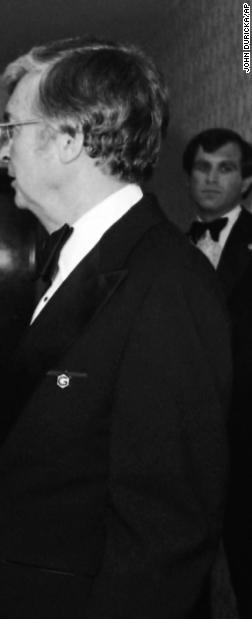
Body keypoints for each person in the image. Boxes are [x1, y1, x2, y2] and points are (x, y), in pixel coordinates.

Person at [0, 38, 231, 619]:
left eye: (13, 127)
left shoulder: (169, 282)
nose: (3, 149)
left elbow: (164, 536)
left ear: (70, 140)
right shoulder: (74, 257)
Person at [182, 128, 252, 616]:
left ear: (246, 182)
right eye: (202, 167)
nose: (210, 178)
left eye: (224, 168)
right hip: (186, 440)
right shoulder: (170, 247)